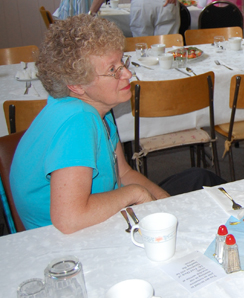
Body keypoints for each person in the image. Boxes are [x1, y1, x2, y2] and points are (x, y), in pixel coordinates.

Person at [9, 15, 224, 233]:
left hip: (101, 213)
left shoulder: (98, 106)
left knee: (200, 178)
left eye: (123, 62)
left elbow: (123, 173)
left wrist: (165, 205)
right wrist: (136, 193)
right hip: (69, 242)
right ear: (76, 85)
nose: (128, 74)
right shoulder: (78, 120)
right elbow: (69, 219)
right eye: (113, 70)